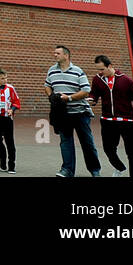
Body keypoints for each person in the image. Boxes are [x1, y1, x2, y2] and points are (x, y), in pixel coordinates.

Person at [45, 44, 102, 177]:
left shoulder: (77, 71)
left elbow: (86, 91)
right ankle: (67, 170)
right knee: (65, 142)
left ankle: (95, 170)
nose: (55, 55)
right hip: (63, 114)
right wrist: (51, 96)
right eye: (54, 53)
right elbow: (47, 85)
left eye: (57, 53)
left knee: (87, 143)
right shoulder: (51, 70)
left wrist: (69, 98)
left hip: (80, 113)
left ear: (66, 55)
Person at [91, 55, 133, 177]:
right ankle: (120, 167)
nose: (100, 72)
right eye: (98, 70)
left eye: (102, 69)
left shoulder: (125, 80)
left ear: (110, 66)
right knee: (108, 149)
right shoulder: (97, 80)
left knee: (132, 154)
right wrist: (92, 100)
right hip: (107, 121)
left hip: (127, 121)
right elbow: (94, 94)